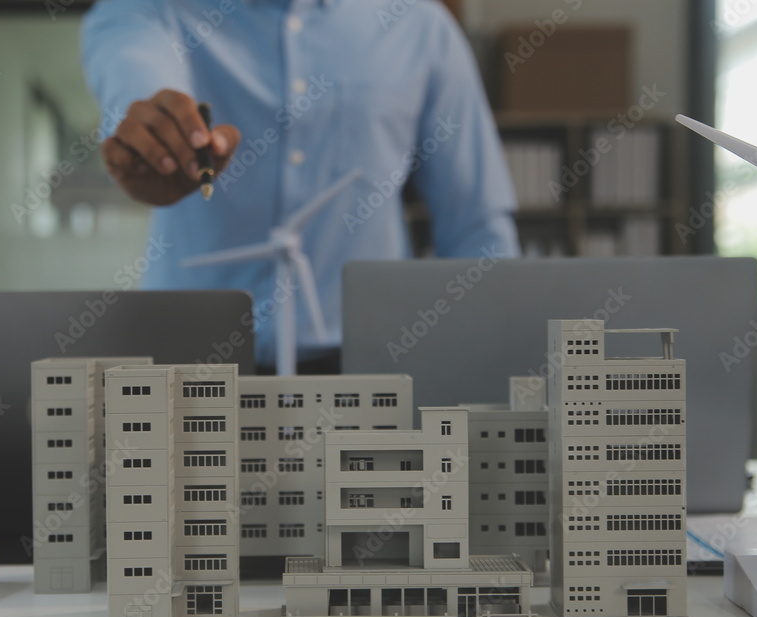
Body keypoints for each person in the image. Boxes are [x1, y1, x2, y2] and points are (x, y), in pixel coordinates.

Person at [81, 0, 520, 372]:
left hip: (370, 369)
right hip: (187, 367)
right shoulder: (149, 11)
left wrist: (489, 374)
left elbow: (477, 228)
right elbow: (135, 71)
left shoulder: (421, 28)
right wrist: (155, 137)